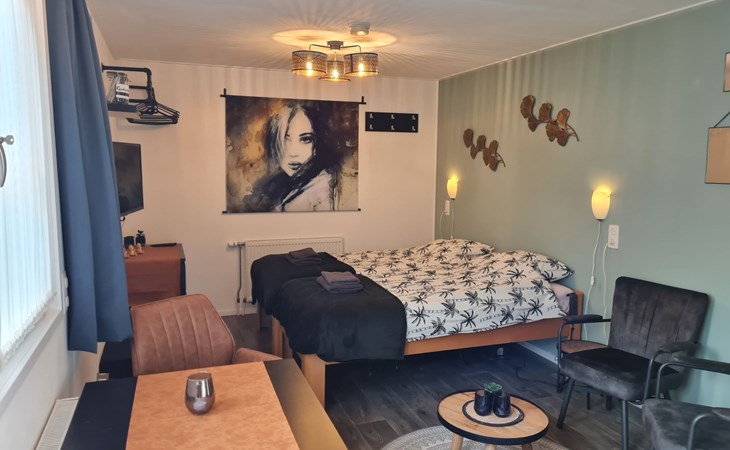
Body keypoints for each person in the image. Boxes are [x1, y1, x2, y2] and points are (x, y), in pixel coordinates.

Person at [242, 103, 338, 212]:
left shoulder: (323, 188)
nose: (293, 153)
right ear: (273, 143)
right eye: (285, 140)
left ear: (317, 144)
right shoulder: (272, 186)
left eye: (305, 139)